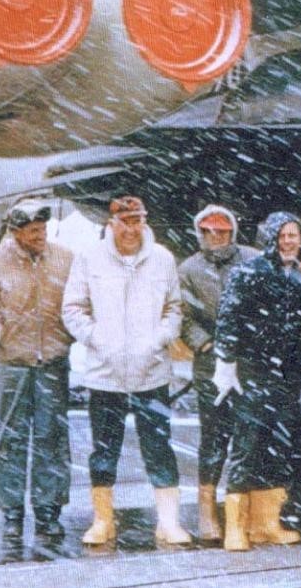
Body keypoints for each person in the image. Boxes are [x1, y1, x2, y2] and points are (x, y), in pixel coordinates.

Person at [62, 196, 191, 547]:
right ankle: (103, 520)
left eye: (138, 221)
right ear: (111, 224)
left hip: (152, 374)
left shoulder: (162, 258)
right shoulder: (89, 258)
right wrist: (97, 338)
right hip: (105, 375)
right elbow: (72, 308)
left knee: (159, 447)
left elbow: (175, 308)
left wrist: (159, 338)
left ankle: (168, 521)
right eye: (125, 222)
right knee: (104, 451)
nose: (132, 229)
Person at [0, 200, 74, 544]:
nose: (40, 236)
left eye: (43, 230)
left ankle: (48, 511)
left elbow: (77, 302)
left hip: (53, 362)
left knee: (52, 439)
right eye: (32, 232)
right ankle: (12, 512)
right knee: (11, 439)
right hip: (13, 364)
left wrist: (69, 335)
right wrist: (2, 336)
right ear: (15, 233)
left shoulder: (64, 258)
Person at [212, 212, 301, 551]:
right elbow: (228, 317)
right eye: (283, 235)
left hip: (286, 375)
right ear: (270, 237)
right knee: (247, 444)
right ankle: (236, 526)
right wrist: (225, 361)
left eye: (294, 235)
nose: (289, 241)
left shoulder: (297, 278)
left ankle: (266, 522)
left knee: (278, 445)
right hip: (253, 371)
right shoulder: (250, 272)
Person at [177, 204, 260, 545]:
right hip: (210, 361)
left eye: (223, 231)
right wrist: (205, 344)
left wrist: (251, 341)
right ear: (200, 233)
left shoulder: (253, 260)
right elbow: (182, 315)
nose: (217, 237)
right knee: (213, 436)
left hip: (249, 360)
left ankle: (244, 511)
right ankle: (207, 509)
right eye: (210, 231)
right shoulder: (189, 269)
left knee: (250, 433)